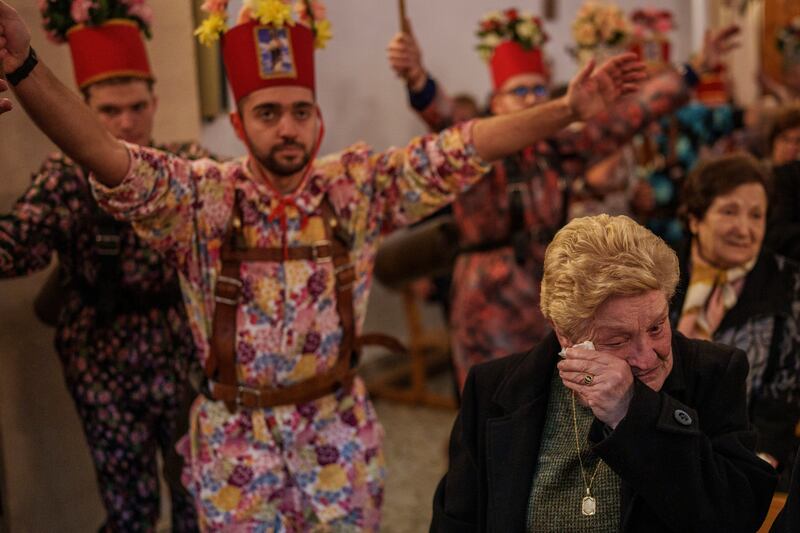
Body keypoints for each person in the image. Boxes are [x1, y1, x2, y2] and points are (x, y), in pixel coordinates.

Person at [0, 0, 648, 529]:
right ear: (238, 120)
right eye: (268, 113)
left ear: (318, 117)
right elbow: (104, 154)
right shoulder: (200, 199)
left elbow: (461, 147)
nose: (287, 128)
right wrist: (26, 65)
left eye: (300, 111)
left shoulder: (356, 186)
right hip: (236, 443)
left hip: (339, 432)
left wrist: (566, 110)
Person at [387, 8, 740, 389]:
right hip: (488, 295)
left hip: (552, 287)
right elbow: (441, 114)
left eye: (537, 90)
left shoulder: (559, 147)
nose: (529, 100)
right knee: (494, 396)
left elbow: (630, 115)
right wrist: (417, 77)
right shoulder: (475, 147)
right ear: (496, 101)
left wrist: (695, 68)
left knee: (556, 394)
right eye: (518, 92)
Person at [431, 213, 777, 532]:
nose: (647, 357)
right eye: (617, 339)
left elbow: (736, 515)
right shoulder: (494, 388)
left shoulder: (713, 373)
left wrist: (634, 413)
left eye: (657, 327)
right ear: (565, 335)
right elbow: (456, 523)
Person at [0, 4, 207, 531]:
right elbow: (12, 249)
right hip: (101, 362)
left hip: (179, 356)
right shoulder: (64, 180)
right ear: (82, 108)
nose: (127, 122)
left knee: (198, 501)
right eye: (109, 111)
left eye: (138, 107)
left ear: (156, 103)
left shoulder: (185, 168)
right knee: (128, 509)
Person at [671, 153, 800, 490]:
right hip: (657, 442)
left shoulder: (789, 283)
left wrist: (758, 461)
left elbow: (786, 390)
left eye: (756, 215)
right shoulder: (656, 273)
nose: (745, 229)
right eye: (729, 211)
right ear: (696, 218)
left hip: (743, 458)